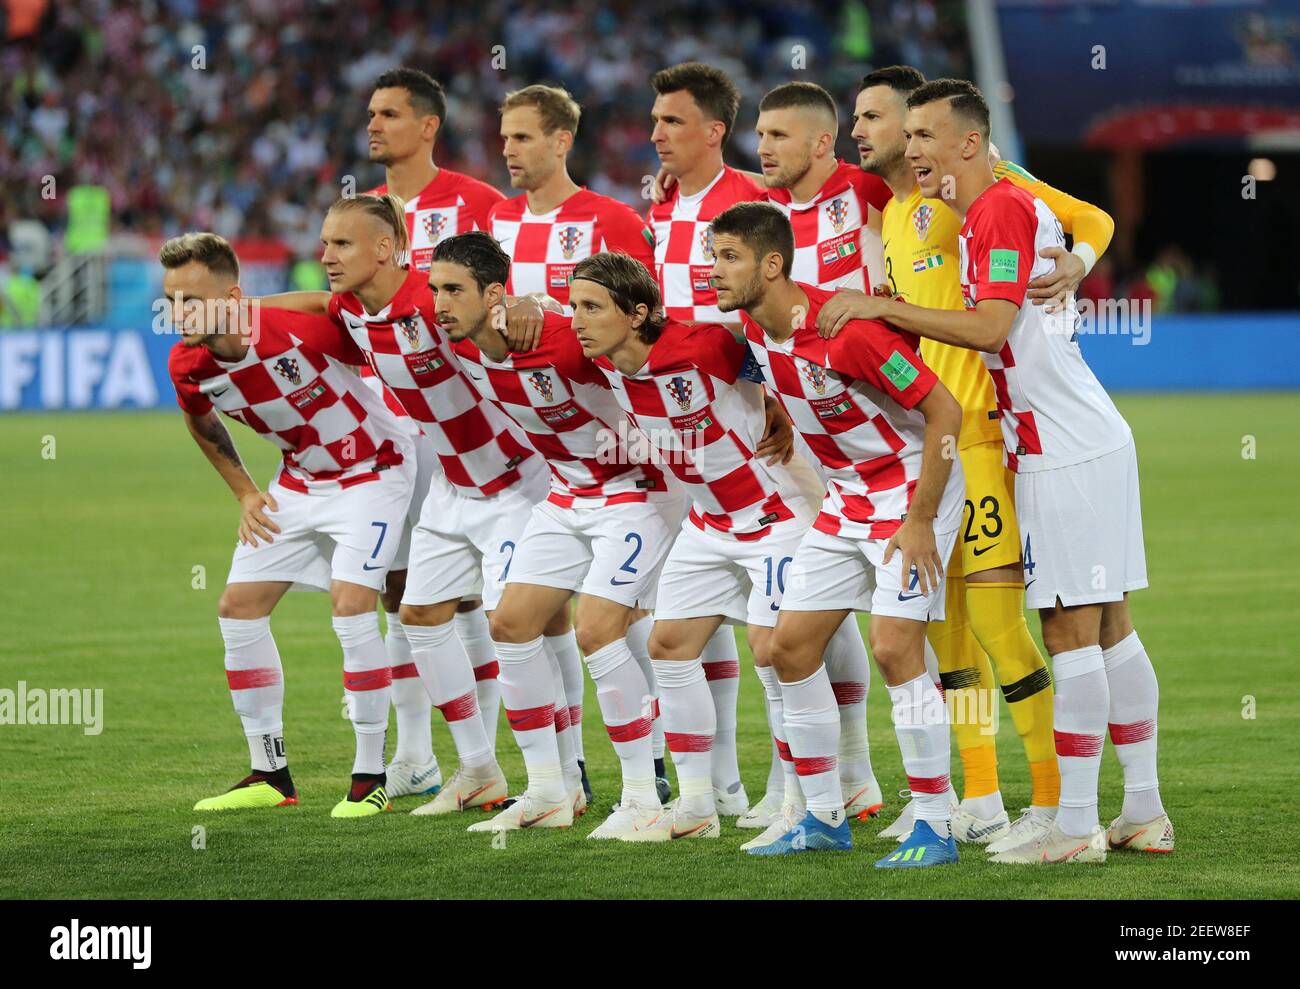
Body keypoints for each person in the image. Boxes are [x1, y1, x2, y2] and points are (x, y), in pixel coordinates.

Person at [832, 78, 1171, 862]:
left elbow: (989, 325)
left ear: (971, 144)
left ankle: (1075, 822)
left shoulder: (1001, 210)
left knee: (1068, 629)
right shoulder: (985, 212)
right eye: (906, 135)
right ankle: (1143, 809)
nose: (912, 149)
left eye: (926, 135)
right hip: (1073, 438)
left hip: (1062, 446)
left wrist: (883, 310)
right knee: (1109, 624)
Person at [711, 202, 965, 867]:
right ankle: (824, 815)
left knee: (892, 648)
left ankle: (936, 824)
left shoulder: (848, 331)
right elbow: (792, 384)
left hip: (911, 489)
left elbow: (945, 411)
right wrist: (787, 418)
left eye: (729, 257)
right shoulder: (755, 326)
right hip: (847, 498)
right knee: (788, 649)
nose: (714, 270)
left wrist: (919, 521)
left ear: (772, 264)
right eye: (713, 255)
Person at [428, 232, 688, 835]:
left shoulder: (566, 340)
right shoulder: (464, 342)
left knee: (597, 630)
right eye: (435, 289)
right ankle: (547, 790)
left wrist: (766, 403)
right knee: (510, 624)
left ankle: (643, 799)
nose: (439, 304)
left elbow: (671, 342)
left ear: (493, 294)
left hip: (638, 492)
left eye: (453, 290)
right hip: (567, 495)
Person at [162, 232, 415, 818]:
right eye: (171, 301)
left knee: (353, 605)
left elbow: (349, 315)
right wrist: (246, 491)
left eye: (192, 300)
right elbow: (200, 423)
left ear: (234, 296)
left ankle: (369, 775)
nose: (178, 315)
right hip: (299, 482)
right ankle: (270, 772)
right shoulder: (189, 364)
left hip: (375, 470)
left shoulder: (298, 326)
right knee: (237, 608)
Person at [573, 250, 810, 843]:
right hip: (707, 523)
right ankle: (697, 805)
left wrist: (781, 408)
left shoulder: (703, 344)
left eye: (592, 307)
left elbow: (776, 354)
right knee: (669, 644)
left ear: (638, 313)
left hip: (773, 514)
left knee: (775, 653)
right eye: (575, 305)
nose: (577, 319)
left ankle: (797, 800)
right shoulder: (605, 363)